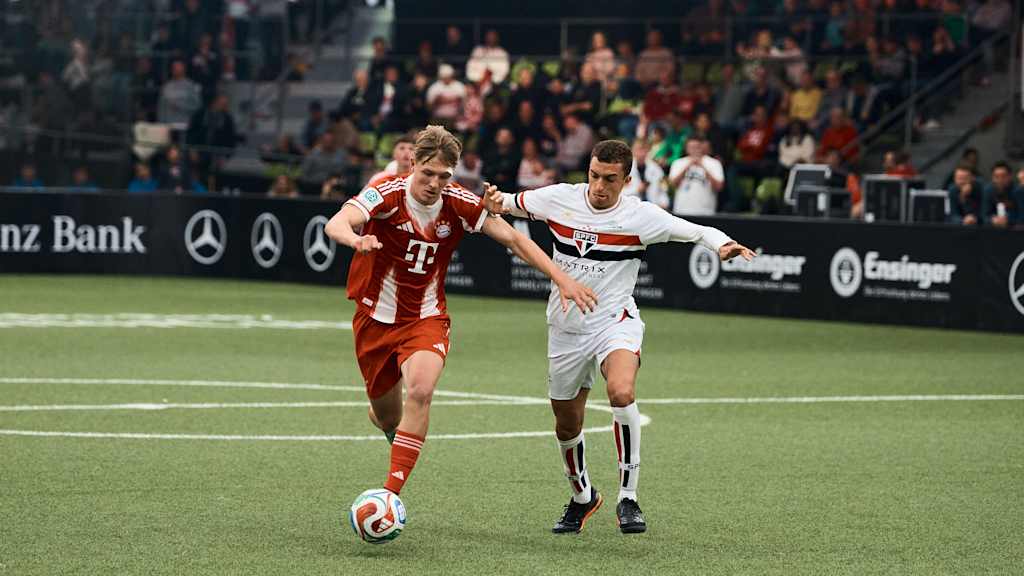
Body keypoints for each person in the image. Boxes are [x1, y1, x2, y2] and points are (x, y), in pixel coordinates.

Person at [484, 139, 754, 534]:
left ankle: (628, 497)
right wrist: (494, 199)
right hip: (566, 327)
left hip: (615, 320)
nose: (599, 186)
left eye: (610, 179)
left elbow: (697, 230)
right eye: (594, 176)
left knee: (622, 392)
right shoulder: (559, 198)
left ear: (626, 180)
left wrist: (722, 244)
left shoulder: (641, 217)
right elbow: (507, 203)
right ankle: (582, 497)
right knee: (566, 423)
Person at [323, 126, 597, 499]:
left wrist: (561, 278)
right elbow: (337, 221)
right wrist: (357, 238)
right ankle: (388, 422)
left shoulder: (458, 201)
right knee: (388, 417)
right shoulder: (387, 192)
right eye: (428, 173)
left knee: (421, 389)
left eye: (444, 176)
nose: (435, 184)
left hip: (426, 319)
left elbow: (515, 239)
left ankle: (389, 495)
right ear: (412, 164)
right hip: (374, 321)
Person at [668, 135, 725, 216]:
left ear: (702, 148)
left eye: (697, 147)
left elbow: (719, 187)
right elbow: (672, 185)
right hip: (681, 210)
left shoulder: (714, 163)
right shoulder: (678, 163)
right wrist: (687, 166)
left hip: (706, 211)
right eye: (691, 147)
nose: (694, 150)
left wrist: (703, 167)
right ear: (686, 148)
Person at [982, 161, 1021, 228]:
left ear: (1010, 176)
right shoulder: (988, 190)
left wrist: (1008, 219)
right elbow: (983, 215)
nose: (1000, 180)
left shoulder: (1018, 191)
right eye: (996, 177)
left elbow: (1021, 214)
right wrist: (992, 219)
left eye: (1003, 176)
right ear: (992, 177)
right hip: (993, 228)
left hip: (1013, 228)